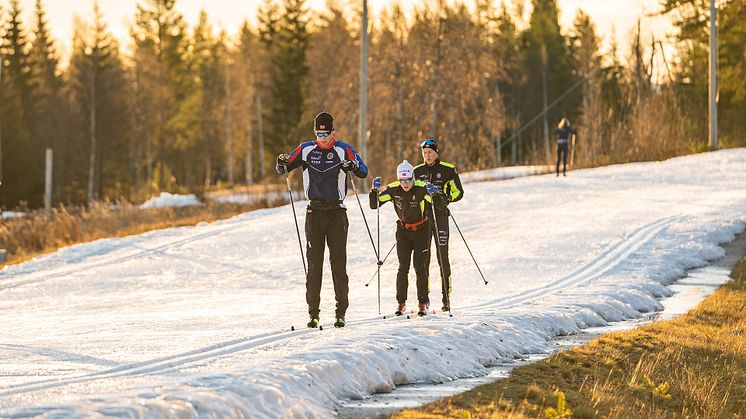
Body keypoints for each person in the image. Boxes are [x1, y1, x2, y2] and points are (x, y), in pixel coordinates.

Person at [276, 111, 368, 328]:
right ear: (315, 133)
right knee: (314, 264)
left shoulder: (343, 148)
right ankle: (313, 313)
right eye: (319, 134)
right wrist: (280, 162)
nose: (323, 138)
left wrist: (352, 166)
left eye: (326, 134)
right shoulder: (307, 149)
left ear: (333, 132)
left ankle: (341, 312)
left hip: (337, 212)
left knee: (338, 264)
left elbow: (363, 170)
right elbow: (283, 167)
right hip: (314, 212)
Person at [370, 160, 433, 317]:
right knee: (402, 267)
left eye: (408, 180)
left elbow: (437, 203)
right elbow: (374, 204)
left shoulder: (420, 188)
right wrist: (373, 190)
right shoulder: (393, 189)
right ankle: (401, 303)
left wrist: (434, 192)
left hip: (422, 232)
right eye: (402, 181)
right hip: (403, 232)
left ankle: (422, 303)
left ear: (413, 177)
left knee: (420, 267)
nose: (406, 184)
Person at [413, 139, 463, 312]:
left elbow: (459, 192)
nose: (427, 156)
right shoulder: (417, 171)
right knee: (424, 259)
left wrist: (445, 197)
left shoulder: (448, 169)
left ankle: (446, 298)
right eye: (424, 153)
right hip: (423, 219)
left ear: (436, 152)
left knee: (443, 257)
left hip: (441, 217)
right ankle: (424, 298)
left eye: (430, 152)